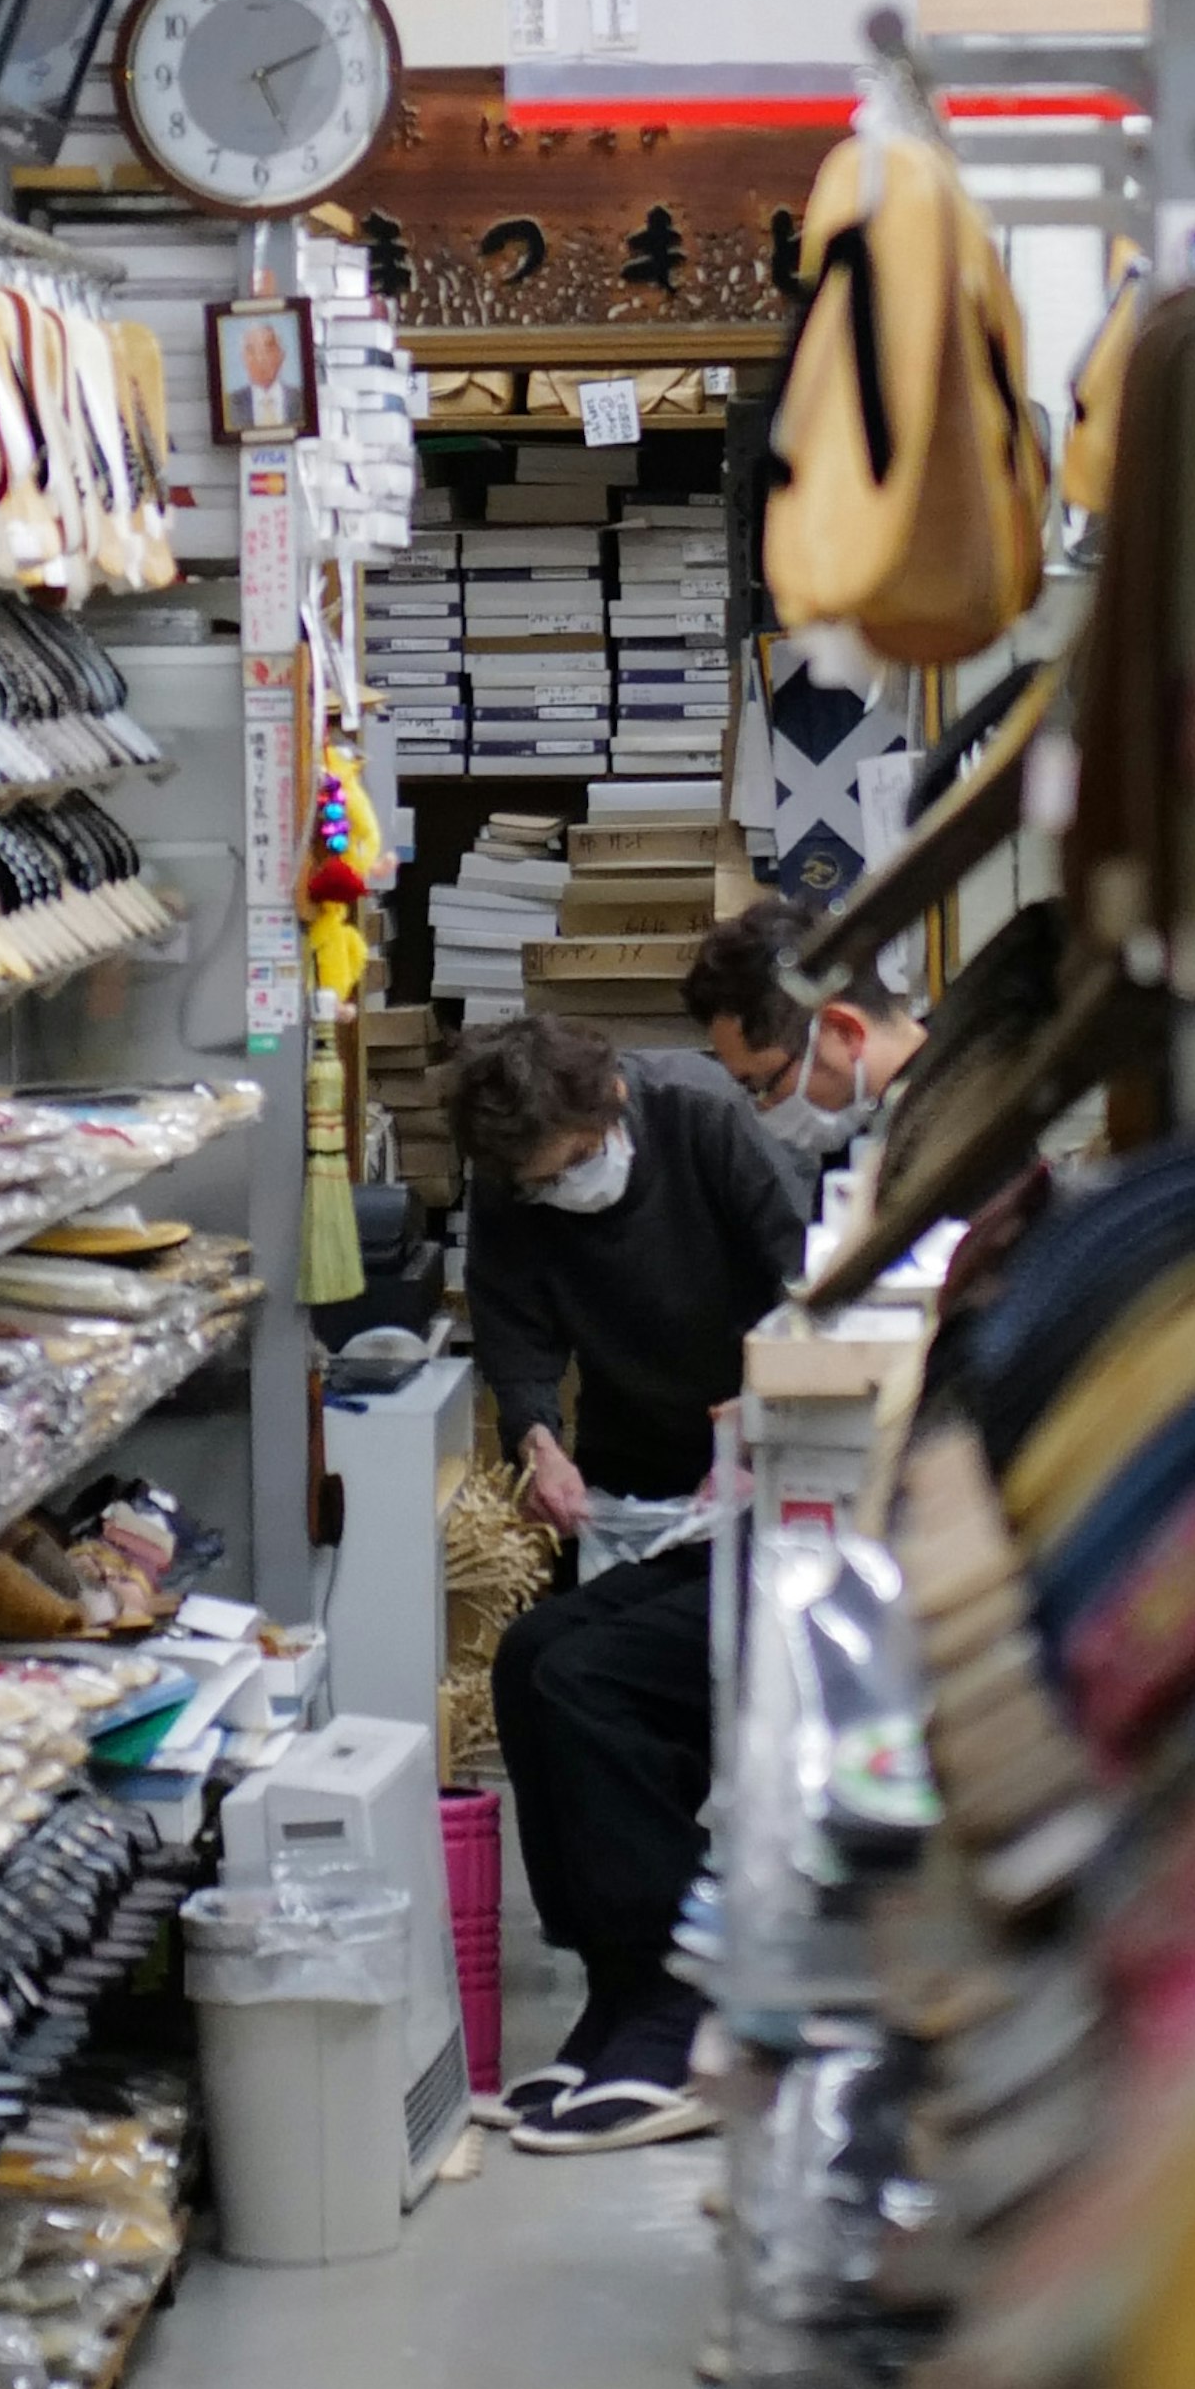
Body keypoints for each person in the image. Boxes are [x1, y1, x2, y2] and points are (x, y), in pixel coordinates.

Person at [454, 1014, 803, 2150]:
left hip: (771, 1482)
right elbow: (510, 1330)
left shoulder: (701, 1122)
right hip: (645, 1485)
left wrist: (770, 1403)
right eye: (534, 1187)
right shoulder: (511, 1175)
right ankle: (620, 1982)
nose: (557, 1195)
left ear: (610, 1104)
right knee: (531, 1659)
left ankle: (682, 1986)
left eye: (568, 1171)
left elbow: (812, 1275)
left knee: (595, 1683)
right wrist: (539, 1441)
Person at [685, 901, 926, 1217]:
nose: (763, 1107)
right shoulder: (865, 1138)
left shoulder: (965, 1129)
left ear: (844, 1031)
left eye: (762, 1084)